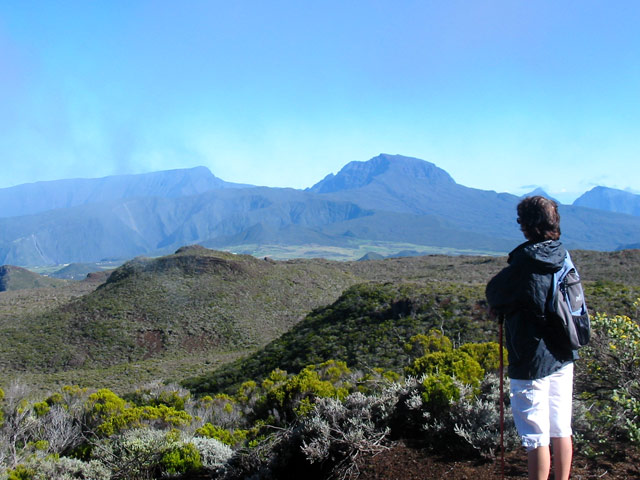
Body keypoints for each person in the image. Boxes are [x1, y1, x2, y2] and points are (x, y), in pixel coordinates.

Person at [486, 196, 578, 480]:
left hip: (531, 359)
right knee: (561, 427)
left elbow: (495, 294)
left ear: (526, 226)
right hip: (563, 354)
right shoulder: (563, 256)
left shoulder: (524, 264)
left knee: (535, 435)